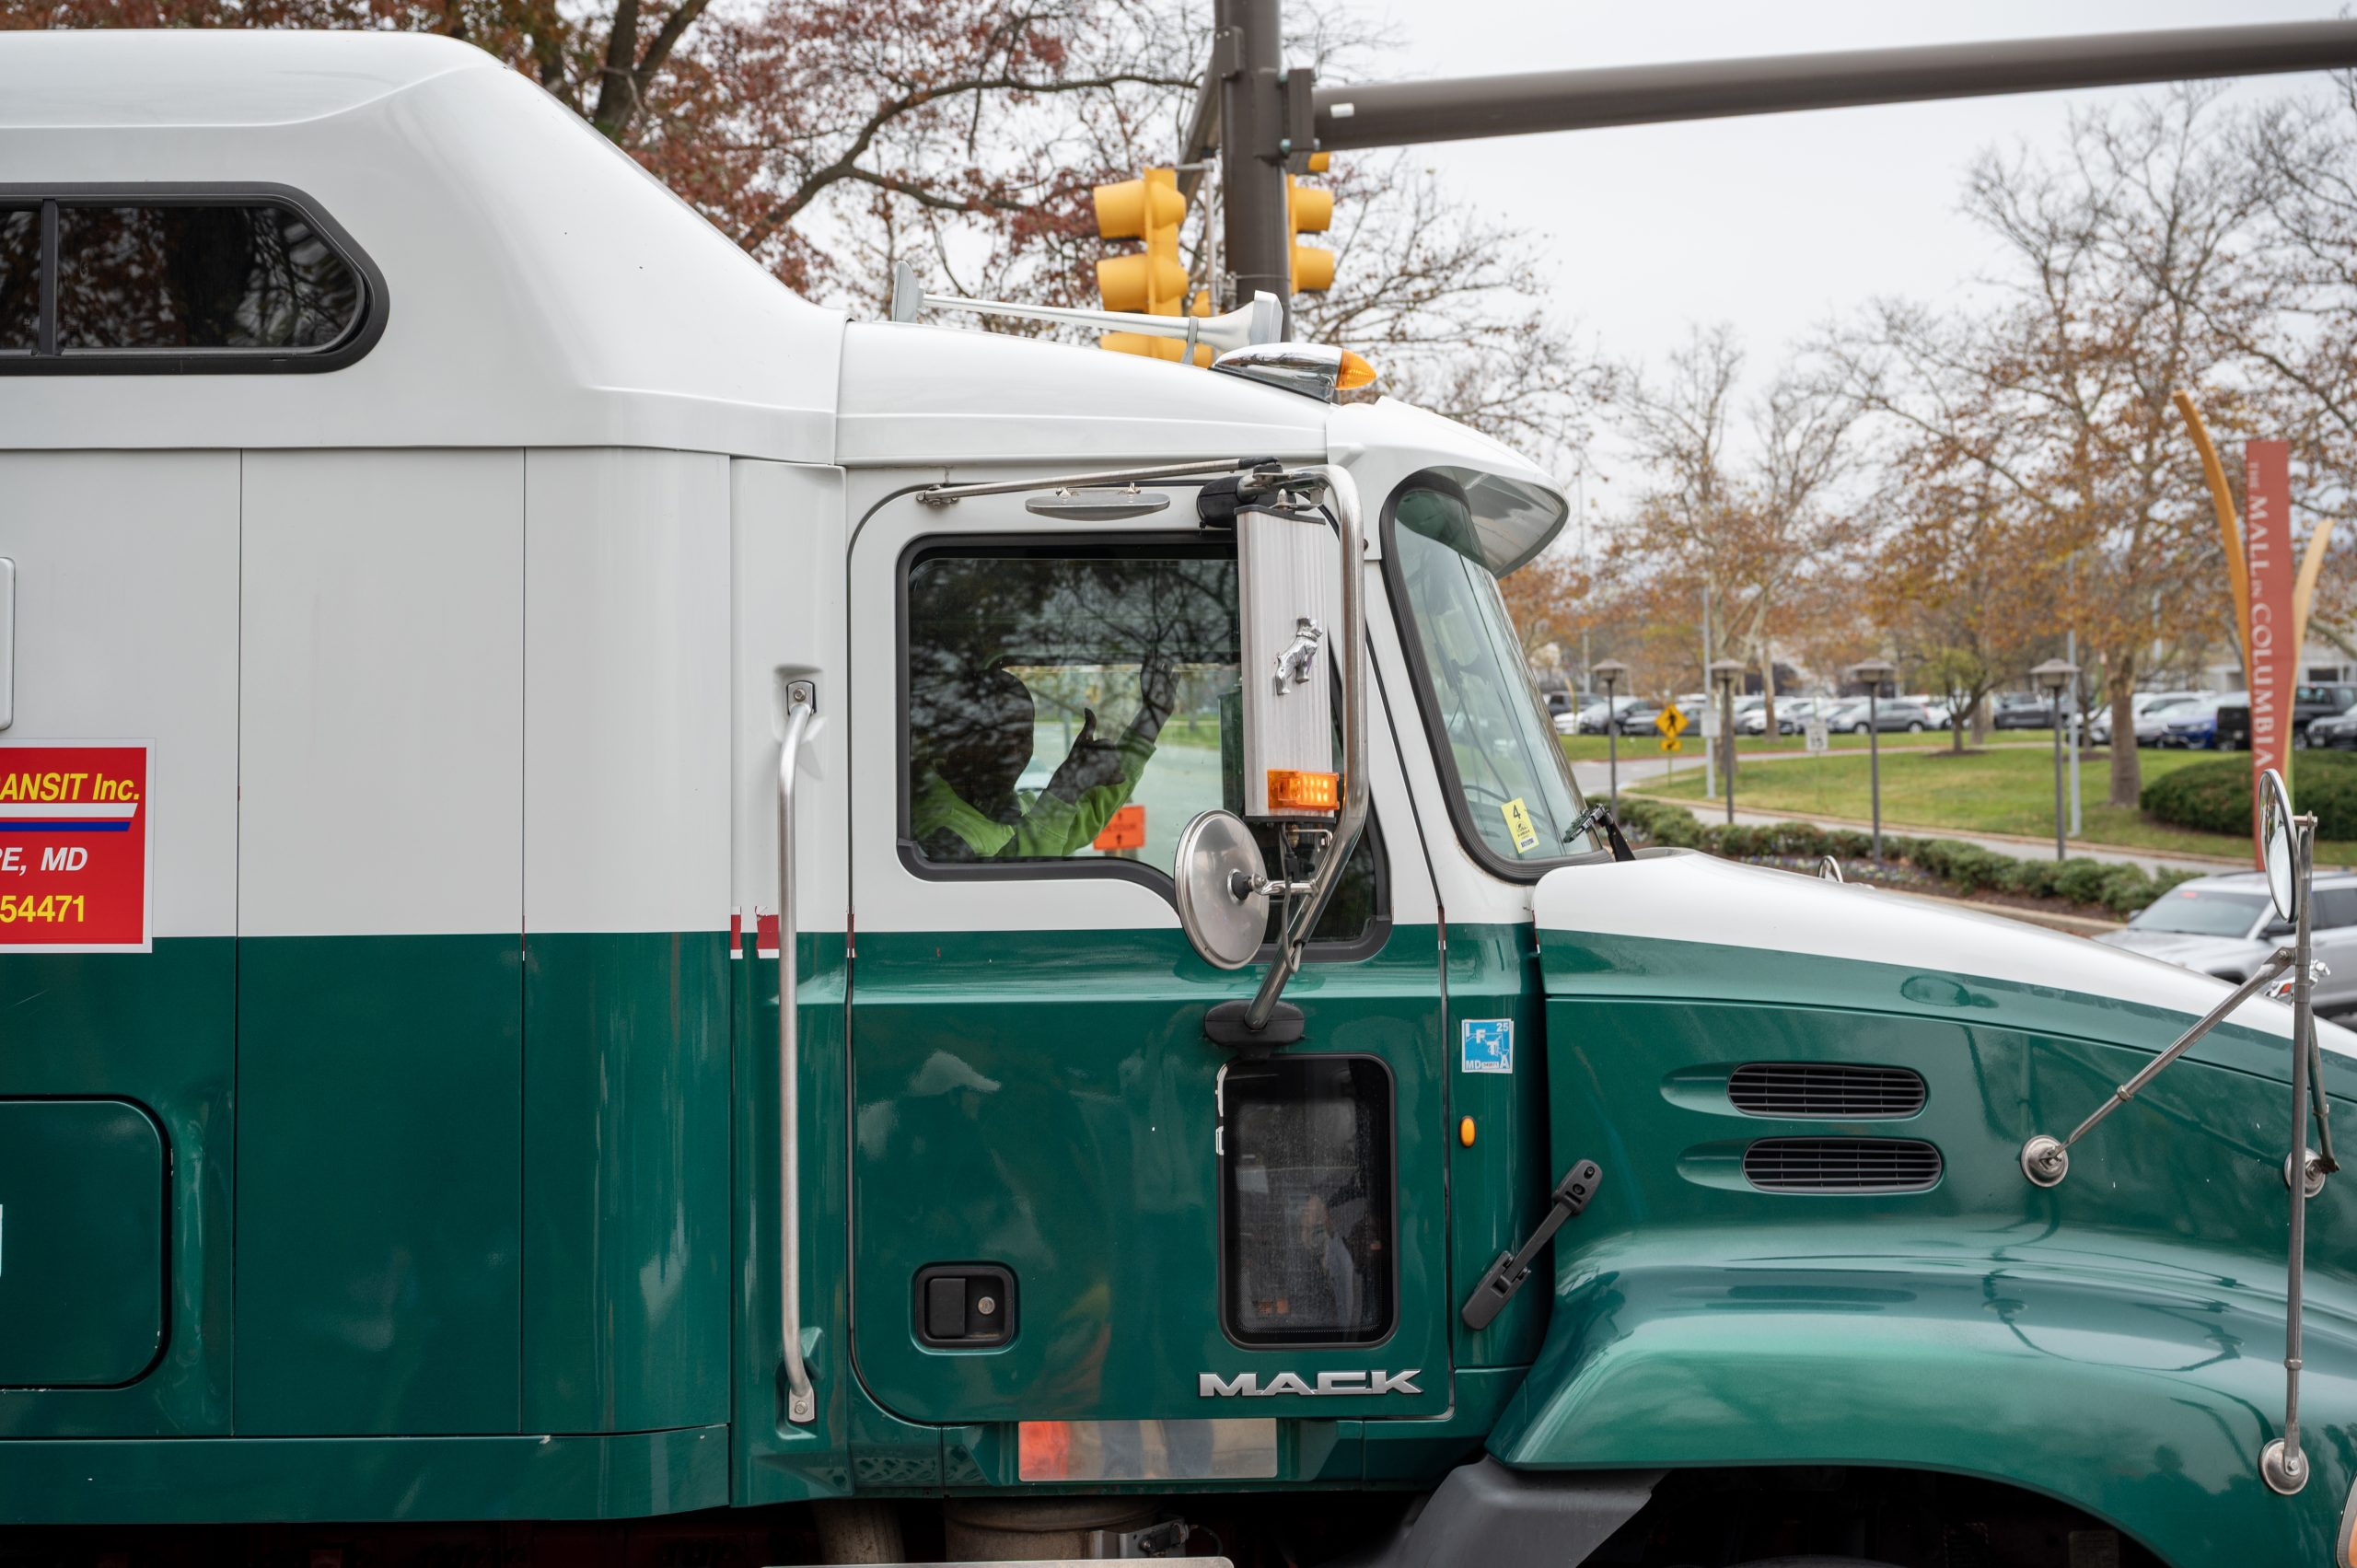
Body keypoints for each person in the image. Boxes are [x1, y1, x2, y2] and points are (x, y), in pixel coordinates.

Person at [910, 656, 1176, 862]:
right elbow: (1008, 889)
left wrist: (1151, 718)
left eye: (1024, 735)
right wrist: (1064, 788)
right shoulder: (941, 831)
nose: (1015, 750)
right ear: (955, 741)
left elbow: (1078, 819)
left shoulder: (1003, 809)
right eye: (997, 735)